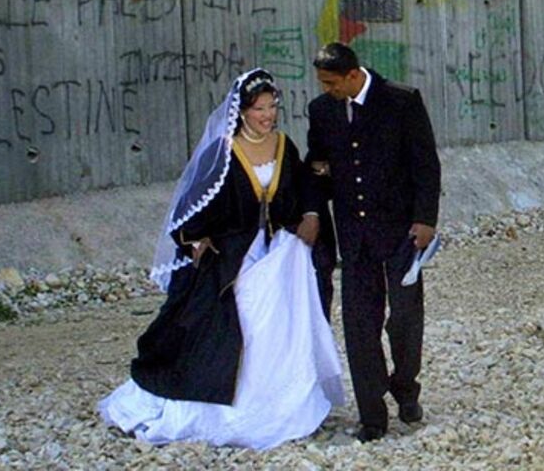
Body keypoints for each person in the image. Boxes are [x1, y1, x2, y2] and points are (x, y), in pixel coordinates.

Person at [98, 69, 344, 450]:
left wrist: (310, 214)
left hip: (277, 255)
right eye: (259, 108)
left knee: (281, 326)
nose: (268, 115)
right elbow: (191, 208)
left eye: (272, 107)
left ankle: (284, 405)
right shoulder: (223, 153)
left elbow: (302, 188)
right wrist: (196, 240)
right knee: (230, 324)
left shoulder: (284, 146)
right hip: (232, 259)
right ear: (242, 111)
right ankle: (225, 406)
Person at [298, 42, 440, 442]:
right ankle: (372, 415)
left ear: (352, 74)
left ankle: (406, 387)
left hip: (401, 231)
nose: (326, 90)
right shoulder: (322, 110)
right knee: (360, 324)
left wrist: (425, 219)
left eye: (331, 83)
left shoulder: (401, 101)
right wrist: (313, 208)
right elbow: (317, 166)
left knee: (405, 317)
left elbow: (425, 165)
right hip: (354, 235)